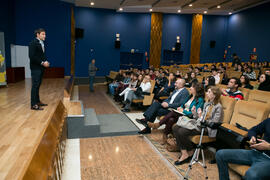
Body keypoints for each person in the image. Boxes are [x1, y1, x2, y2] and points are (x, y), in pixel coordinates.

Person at [173, 86, 223, 165]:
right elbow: (198, 117)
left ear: (215, 95)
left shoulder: (218, 107)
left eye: (209, 92)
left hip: (207, 129)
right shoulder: (207, 103)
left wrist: (200, 116)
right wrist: (194, 113)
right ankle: (187, 152)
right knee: (176, 127)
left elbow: (213, 124)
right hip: (200, 124)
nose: (207, 93)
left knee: (182, 131)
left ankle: (187, 152)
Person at [29, 28, 50, 110]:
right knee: (35, 86)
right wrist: (42, 63)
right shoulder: (33, 43)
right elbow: (32, 57)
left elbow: (41, 56)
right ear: (37, 35)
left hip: (40, 68)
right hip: (35, 68)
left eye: (45, 34)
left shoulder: (41, 43)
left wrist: (45, 61)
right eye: (43, 34)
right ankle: (33, 104)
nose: (45, 36)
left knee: (38, 85)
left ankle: (37, 101)